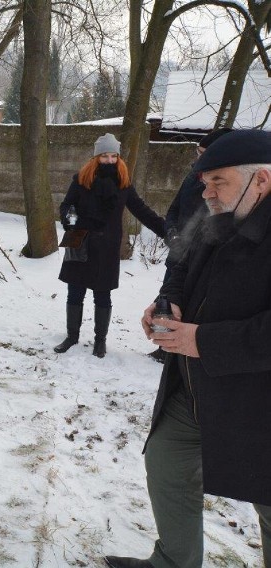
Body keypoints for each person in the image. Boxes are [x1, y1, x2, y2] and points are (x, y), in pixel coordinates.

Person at [105, 129, 271, 568]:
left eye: (218, 182)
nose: (207, 192)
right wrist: (168, 301)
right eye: (205, 182)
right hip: (195, 387)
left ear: (262, 181)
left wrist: (201, 340)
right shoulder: (219, 215)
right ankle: (174, 562)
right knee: (167, 462)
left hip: (260, 403)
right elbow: (181, 263)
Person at [54, 133, 166, 357]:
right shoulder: (80, 180)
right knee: (74, 293)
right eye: (104, 156)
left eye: (113, 156)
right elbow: (67, 205)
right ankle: (72, 336)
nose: (109, 160)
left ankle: (100, 341)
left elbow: (142, 211)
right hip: (80, 244)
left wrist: (166, 230)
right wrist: (71, 218)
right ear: (96, 158)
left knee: (102, 295)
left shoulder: (123, 185)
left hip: (106, 248)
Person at [148, 128, 232, 363]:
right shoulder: (191, 178)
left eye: (204, 154)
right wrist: (173, 233)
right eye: (198, 153)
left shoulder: (227, 191)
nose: (198, 160)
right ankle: (164, 346)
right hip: (177, 253)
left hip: (199, 258)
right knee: (167, 301)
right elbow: (174, 209)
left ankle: (181, 352)